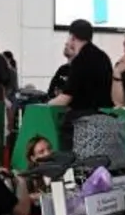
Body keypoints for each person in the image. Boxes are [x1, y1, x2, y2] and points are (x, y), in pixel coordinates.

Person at [48, 19, 113, 150]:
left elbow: (67, 97)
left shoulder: (80, 60)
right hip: (104, 120)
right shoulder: (103, 57)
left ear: (72, 37)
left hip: (81, 122)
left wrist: (46, 105)